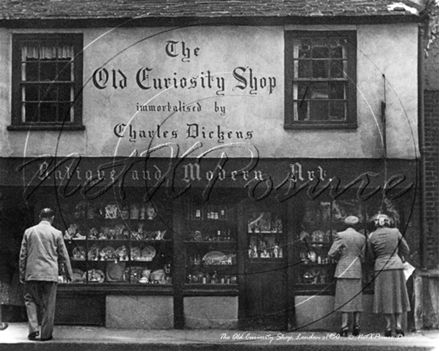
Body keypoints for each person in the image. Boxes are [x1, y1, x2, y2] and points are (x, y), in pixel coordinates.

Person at [19, 208, 73, 341]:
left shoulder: (29, 232)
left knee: (30, 299)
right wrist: (69, 274)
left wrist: (22, 273)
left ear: (39, 217)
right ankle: (46, 334)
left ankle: (33, 329)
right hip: (49, 273)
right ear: (52, 218)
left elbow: (22, 255)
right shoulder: (57, 233)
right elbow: (64, 256)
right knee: (49, 304)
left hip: (32, 273)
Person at [367, 213, 410, 337]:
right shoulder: (396, 232)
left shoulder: (372, 236)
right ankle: (398, 326)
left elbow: (370, 255)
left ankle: (388, 326)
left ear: (375, 223)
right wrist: (399, 255)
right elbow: (406, 249)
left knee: (386, 296)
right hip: (396, 266)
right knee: (398, 295)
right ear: (388, 222)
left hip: (381, 267)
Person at [328, 215, 366, 337]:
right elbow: (364, 256)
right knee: (356, 299)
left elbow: (331, 253)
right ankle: (357, 325)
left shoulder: (340, 235)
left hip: (343, 269)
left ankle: (344, 327)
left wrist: (340, 256)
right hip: (356, 269)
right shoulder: (362, 237)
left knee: (344, 298)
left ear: (345, 224)